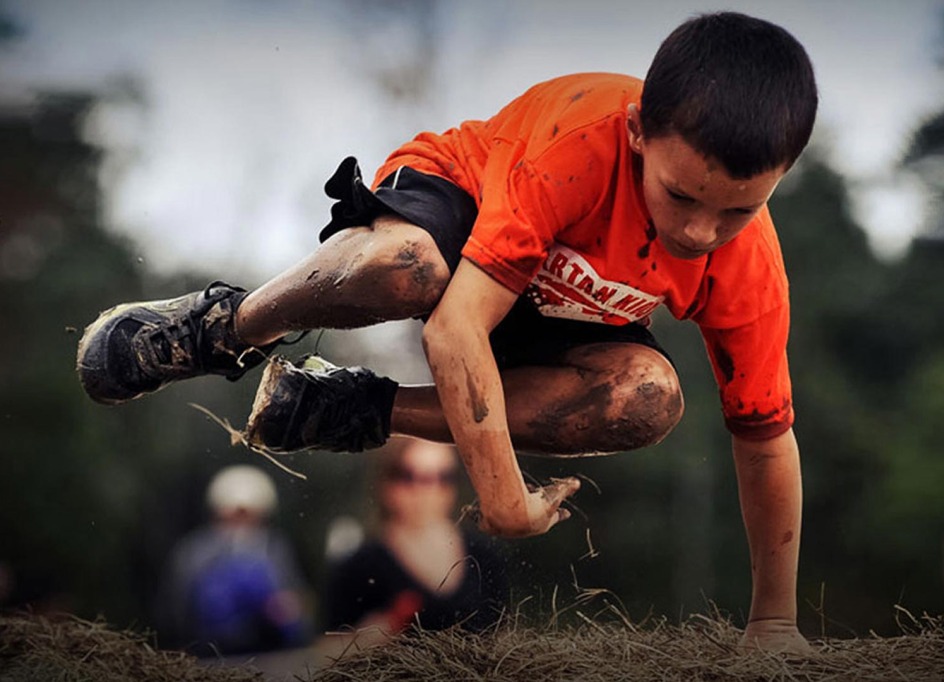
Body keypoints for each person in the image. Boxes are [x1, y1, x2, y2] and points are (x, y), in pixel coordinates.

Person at [77, 12, 817, 652]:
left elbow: (764, 441)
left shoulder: (747, 268)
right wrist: (503, 497)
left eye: (737, 211)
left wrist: (775, 622)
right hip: (460, 221)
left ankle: (348, 408)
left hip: (553, 313)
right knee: (407, 266)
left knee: (650, 397)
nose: (699, 231)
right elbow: (457, 326)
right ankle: (224, 328)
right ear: (635, 135)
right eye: (680, 195)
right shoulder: (577, 146)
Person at [322, 437, 507, 639]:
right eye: (408, 476)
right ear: (385, 480)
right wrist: (367, 638)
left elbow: (503, 636)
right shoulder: (360, 566)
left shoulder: (483, 556)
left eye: (442, 477)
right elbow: (324, 654)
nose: (425, 491)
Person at [156, 465, 313, 656]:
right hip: (209, 656)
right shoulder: (195, 550)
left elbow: (295, 603)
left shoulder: (275, 549)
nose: (241, 523)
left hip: (269, 656)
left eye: (248, 515)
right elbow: (176, 609)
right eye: (234, 515)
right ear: (218, 512)